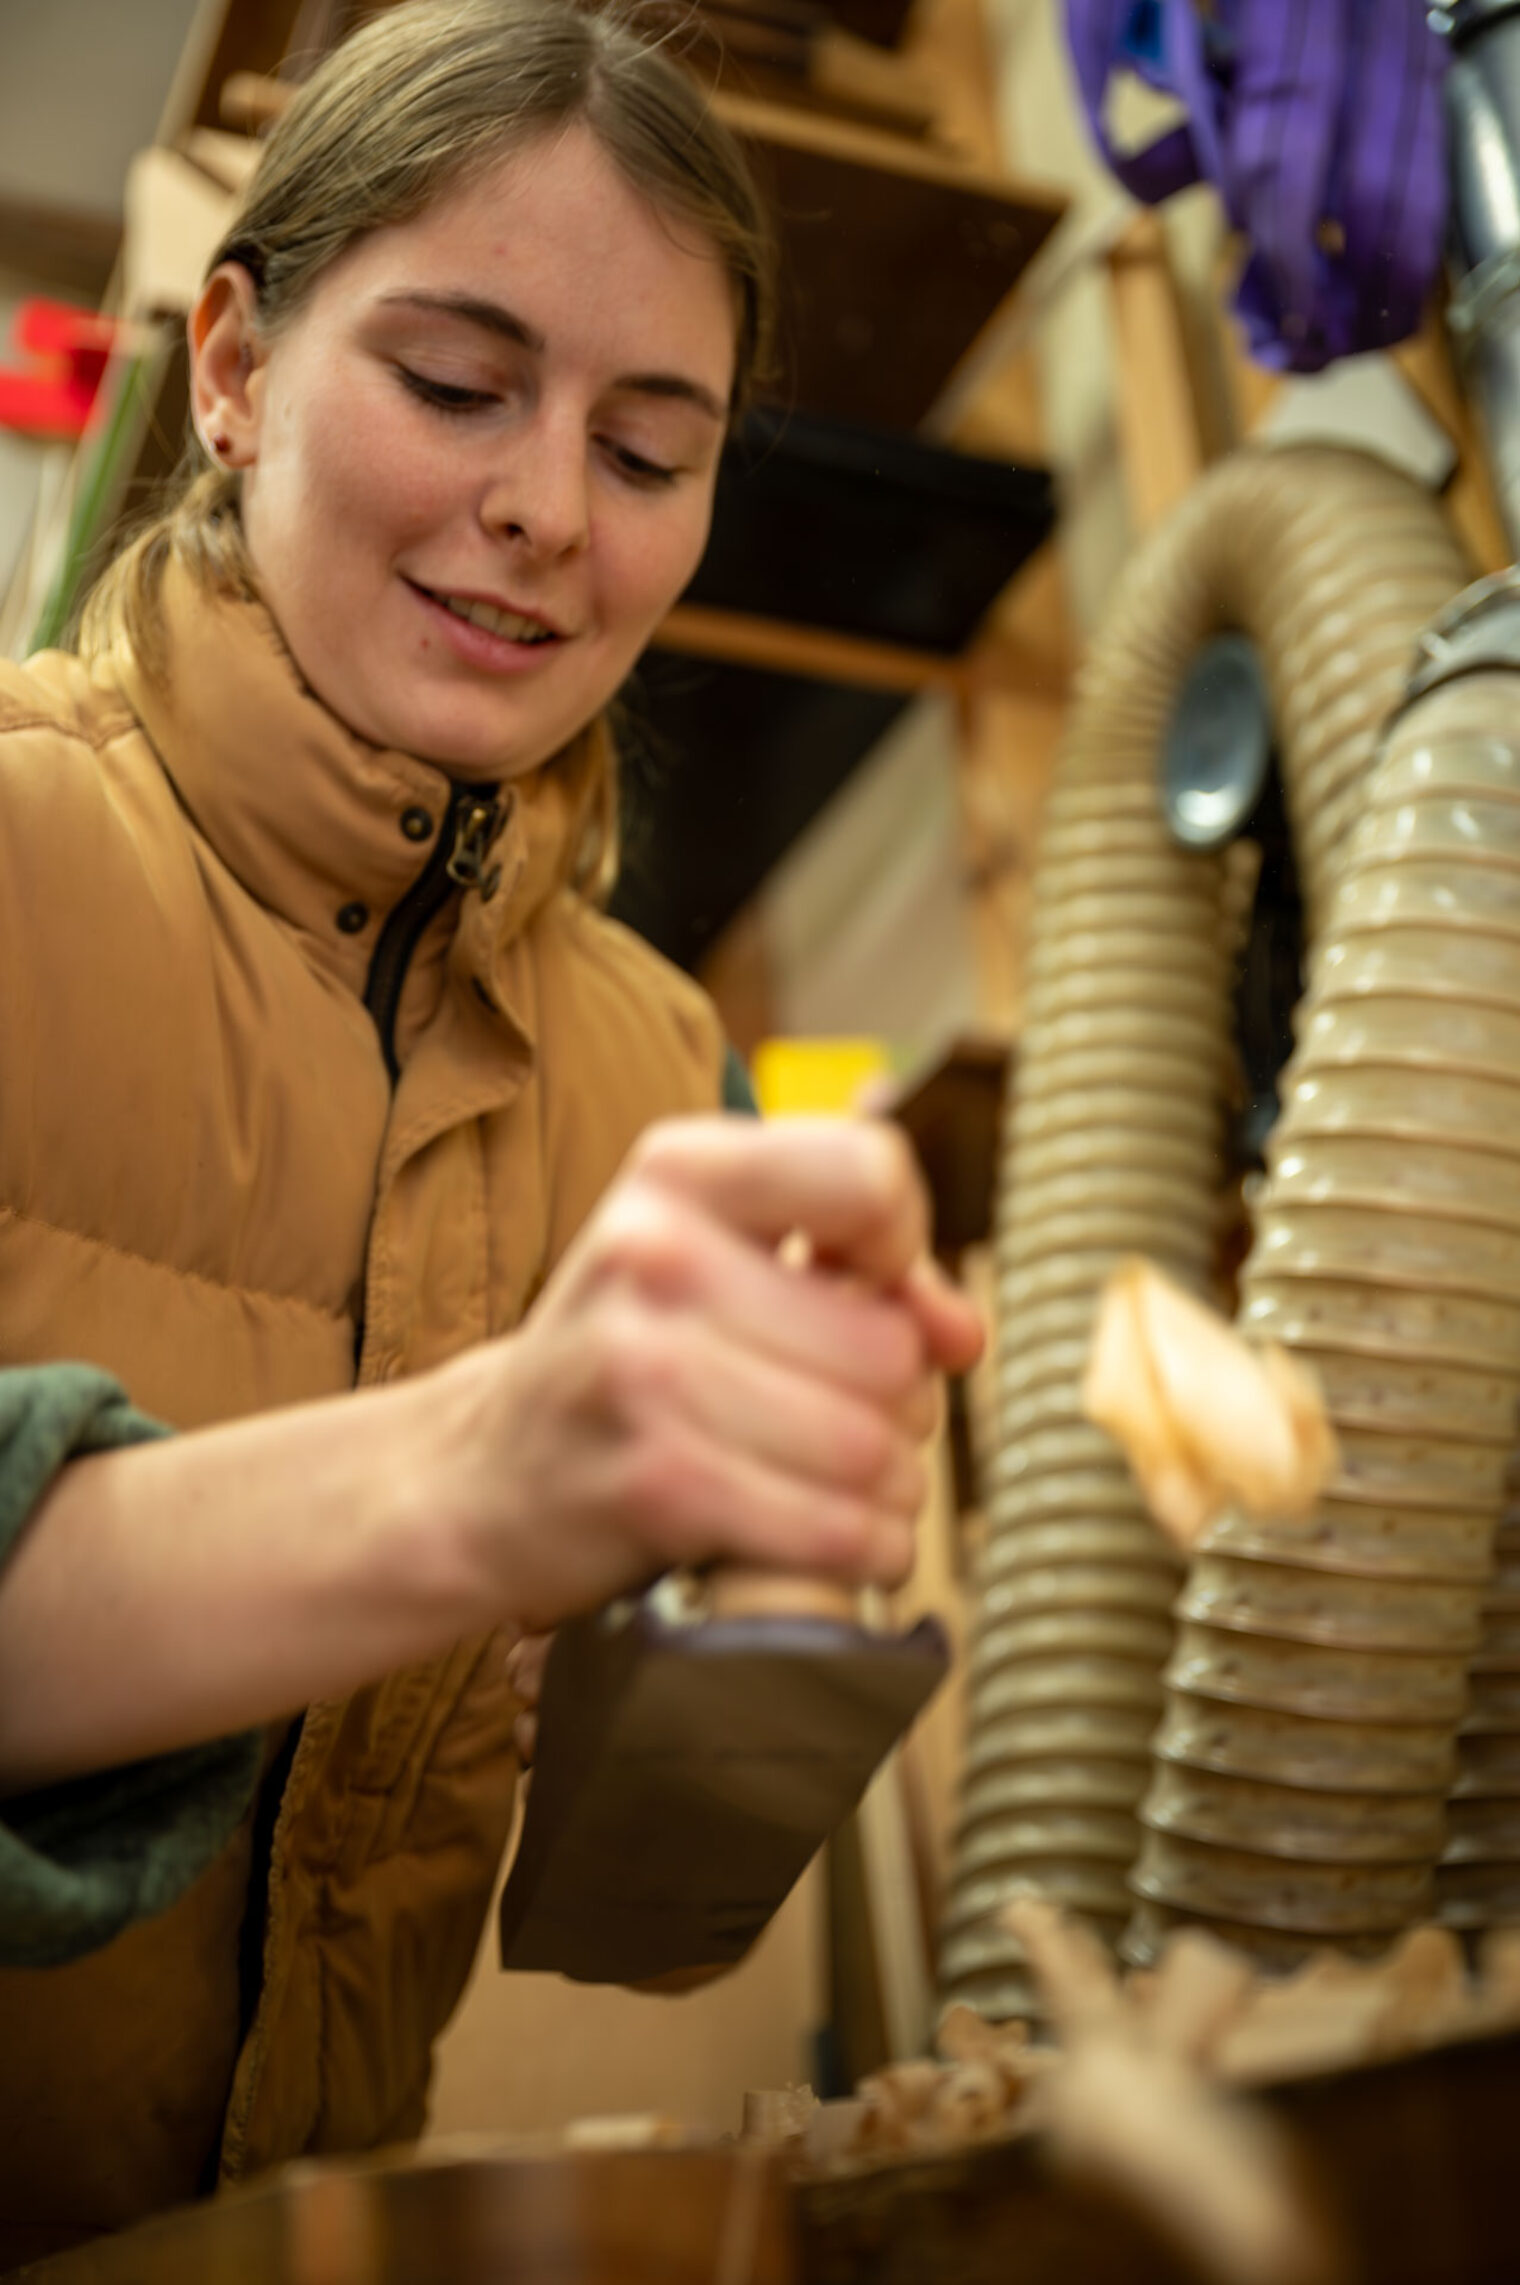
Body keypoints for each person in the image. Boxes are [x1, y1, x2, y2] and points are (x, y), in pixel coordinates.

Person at [0, 0, 982, 2264]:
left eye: (647, 452)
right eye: (457, 385)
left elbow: (646, 1917)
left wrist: (755, 1624)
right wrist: (475, 1476)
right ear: (233, 369)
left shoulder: (652, 1070)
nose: (547, 510)